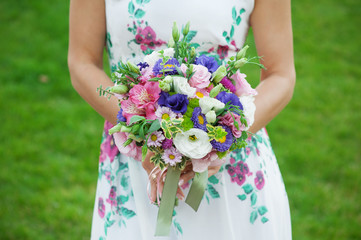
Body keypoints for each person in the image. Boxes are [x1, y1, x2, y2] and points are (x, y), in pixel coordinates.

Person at [68, 0, 295, 239]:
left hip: (228, 165)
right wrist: (146, 132)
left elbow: (281, 75)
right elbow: (82, 62)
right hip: (137, 160)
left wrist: (219, 139)